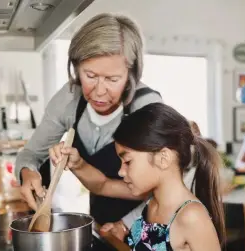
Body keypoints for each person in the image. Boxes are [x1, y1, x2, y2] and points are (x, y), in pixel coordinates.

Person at [14, 13, 163, 226]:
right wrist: (27, 173)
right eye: (90, 76)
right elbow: (30, 154)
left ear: (131, 73)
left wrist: (127, 225)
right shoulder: (69, 99)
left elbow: (164, 187)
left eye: (112, 79)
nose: (100, 91)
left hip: (148, 225)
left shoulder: (146, 107)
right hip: (101, 225)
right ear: (76, 68)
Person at [51, 103, 224, 250]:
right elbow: (102, 185)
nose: (120, 171)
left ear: (163, 158)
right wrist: (76, 163)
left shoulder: (191, 216)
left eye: (127, 162)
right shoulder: (151, 203)